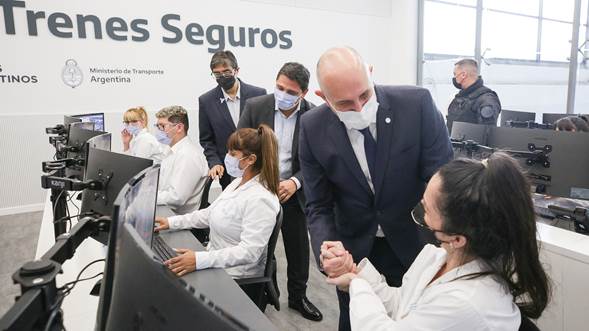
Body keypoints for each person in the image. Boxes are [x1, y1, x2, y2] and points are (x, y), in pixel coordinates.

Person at [298, 46, 453, 331]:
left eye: (365, 95)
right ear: (323, 98)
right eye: (345, 104)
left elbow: (445, 182)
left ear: (370, 74)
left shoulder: (416, 104)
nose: (359, 109)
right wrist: (329, 251)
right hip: (356, 253)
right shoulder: (311, 127)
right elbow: (317, 205)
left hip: (419, 246)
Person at [324, 153, 551, 330]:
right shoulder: (437, 257)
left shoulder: (466, 302)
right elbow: (402, 307)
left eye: (426, 208)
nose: (422, 214)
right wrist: (356, 273)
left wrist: (358, 286)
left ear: (457, 238)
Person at [238, 62, 322, 321]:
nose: (283, 94)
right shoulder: (255, 107)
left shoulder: (314, 116)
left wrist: (295, 182)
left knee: (298, 249)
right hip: (259, 189)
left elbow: (318, 161)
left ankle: (298, 297)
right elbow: (242, 147)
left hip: (293, 193)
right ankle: (266, 292)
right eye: (279, 87)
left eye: (291, 92)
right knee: (261, 246)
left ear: (303, 93)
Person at [154, 125, 280, 295]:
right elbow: (209, 214)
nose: (227, 157)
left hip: (236, 279)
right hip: (215, 263)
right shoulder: (237, 182)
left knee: (167, 288)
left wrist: (199, 259)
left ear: (250, 159)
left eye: (233, 154)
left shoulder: (261, 199)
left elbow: (249, 252)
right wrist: (171, 222)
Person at [199, 50, 267, 190]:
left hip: (258, 169)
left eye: (226, 71)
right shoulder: (206, 101)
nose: (222, 76)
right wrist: (214, 163)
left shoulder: (258, 94)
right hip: (228, 172)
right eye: (217, 73)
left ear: (236, 70)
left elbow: (266, 132)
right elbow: (207, 139)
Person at [155, 106, 209, 214]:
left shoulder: (188, 156)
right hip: (167, 211)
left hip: (177, 217)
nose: (158, 131)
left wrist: (149, 197)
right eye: (157, 126)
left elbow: (176, 198)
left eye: (162, 126)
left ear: (179, 127)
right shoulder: (171, 149)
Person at [446, 59, 502, 134]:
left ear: (463, 75)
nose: (454, 77)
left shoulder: (487, 100)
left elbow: (487, 134)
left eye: (455, 74)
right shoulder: (461, 97)